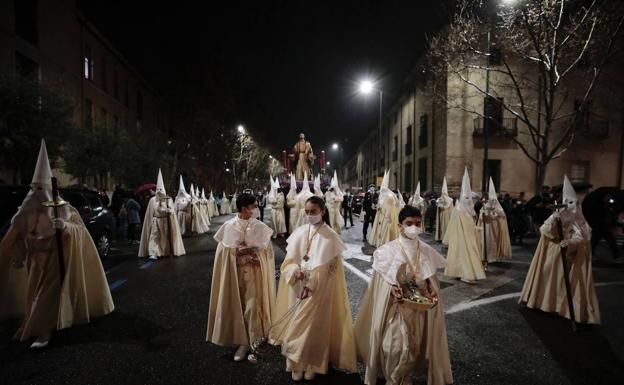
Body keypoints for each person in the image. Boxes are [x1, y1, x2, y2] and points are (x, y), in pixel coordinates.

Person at [0, 139, 114, 348]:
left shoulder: (64, 208)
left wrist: (65, 226)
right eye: (34, 188)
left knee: (46, 295)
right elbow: (17, 236)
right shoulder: (24, 212)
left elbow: (80, 230)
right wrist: (18, 257)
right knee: (34, 295)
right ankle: (35, 325)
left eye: (40, 188)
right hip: (34, 262)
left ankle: (43, 332)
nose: (37, 193)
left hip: (54, 257)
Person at [354, 205, 453, 385]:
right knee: (393, 345)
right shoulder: (386, 251)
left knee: (413, 346)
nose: (414, 227)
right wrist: (391, 287)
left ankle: (403, 376)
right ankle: (393, 377)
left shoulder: (425, 250)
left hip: (418, 310)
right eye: (409, 223)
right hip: (395, 308)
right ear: (400, 225)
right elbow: (381, 282)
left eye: (417, 223)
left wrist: (429, 290)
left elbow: (431, 282)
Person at [271, 196, 357, 381]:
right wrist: (295, 272)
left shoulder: (331, 236)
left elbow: (331, 271)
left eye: (314, 212)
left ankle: (312, 363)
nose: (309, 215)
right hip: (298, 287)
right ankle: (295, 363)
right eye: (307, 212)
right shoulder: (300, 232)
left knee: (315, 327)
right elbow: (288, 263)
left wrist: (311, 284)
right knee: (296, 324)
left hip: (319, 290)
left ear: (323, 212)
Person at [519, 175, 600, 324]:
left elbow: (583, 236)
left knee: (564, 281)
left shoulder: (579, 218)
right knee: (548, 277)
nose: (571, 205)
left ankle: (561, 307)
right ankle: (543, 303)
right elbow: (546, 231)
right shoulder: (558, 214)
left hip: (568, 255)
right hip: (552, 252)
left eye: (574, 202)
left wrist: (570, 243)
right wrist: (556, 221)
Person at [206, 193, 276, 361]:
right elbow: (223, 254)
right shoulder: (229, 226)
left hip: (255, 273)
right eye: (254, 206)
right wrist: (237, 252)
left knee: (253, 305)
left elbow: (268, 253)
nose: (257, 209)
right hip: (235, 273)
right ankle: (242, 341)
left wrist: (258, 257)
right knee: (239, 305)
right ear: (245, 209)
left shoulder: (260, 226)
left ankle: (255, 338)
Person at [443, 168, 485, 284]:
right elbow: (466, 226)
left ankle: (460, 272)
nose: (470, 201)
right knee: (464, 254)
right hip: (463, 238)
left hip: (462, 237)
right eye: (467, 199)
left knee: (461, 255)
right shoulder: (461, 210)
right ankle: (465, 273)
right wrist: (476, 229)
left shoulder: (461, 209)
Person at [138, 169, 186, 260]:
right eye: (158, 190)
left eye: (161, 189)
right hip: (156, 221)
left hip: (164, 222)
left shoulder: (168, 200)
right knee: (154, 237)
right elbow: (150, 213)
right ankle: (153, 252)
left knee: (164, 238)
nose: (160, 191)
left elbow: (172, 210)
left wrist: (169, 211)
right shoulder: (152, 200)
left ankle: (164, 251)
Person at [477, 178, 512, 263]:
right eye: (491, 200)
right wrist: (486, 213)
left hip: (495, 227)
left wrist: (495, 212)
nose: (492, 201)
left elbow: (502, 215)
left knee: (494, 242)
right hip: (487, 226)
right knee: (487, 241)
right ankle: (486, 256)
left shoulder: (498, 206)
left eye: (494, 200)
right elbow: (481, 216)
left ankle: (494, 256)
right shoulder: (485, 206)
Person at [369, 170, 400, 247]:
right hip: (381, 216)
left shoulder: (390, 197)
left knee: (385, 232)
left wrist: (389, 217)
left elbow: (391, 209)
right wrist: (377, 207)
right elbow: (380, 205)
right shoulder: (381, 195)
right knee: (380, 231)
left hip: (386, 218)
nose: (381, 191)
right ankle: (380, 243)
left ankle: (384, 244)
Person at [435, 178, 453, 242]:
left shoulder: (450, 200)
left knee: (446, 226)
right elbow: (438, 206)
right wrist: (439, 202)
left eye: (444, 193)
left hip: (447, 215)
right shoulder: (439, 199)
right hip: (441, 215)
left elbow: (451, 209)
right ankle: (441, 237)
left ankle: (445, 237)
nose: (444, 194)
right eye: (443, 193)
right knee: (442, 226)